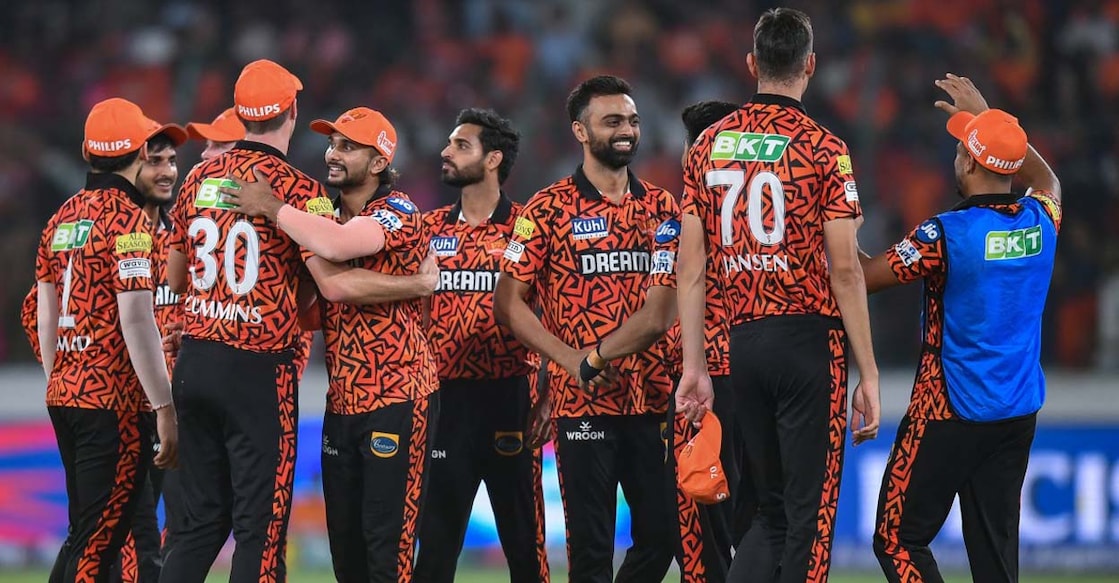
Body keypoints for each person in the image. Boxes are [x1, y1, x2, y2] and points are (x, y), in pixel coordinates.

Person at [674, 8, 880, 582]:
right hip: (809, 343)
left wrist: (695, 367)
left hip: (743, 346)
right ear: (810, 65)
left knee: (768, 513)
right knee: (806, 519)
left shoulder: (708, 146)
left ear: (751, 64)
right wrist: (869, 371)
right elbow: (845, 269)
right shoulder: (825, 148)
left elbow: (690, 268)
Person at [221, 107, 439, 582]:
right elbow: (316, 297)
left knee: (387, 546)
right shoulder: (320, 216)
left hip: (398, 395)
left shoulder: (398, 210)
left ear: (379, 162)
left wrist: (274, 208)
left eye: (347, 146)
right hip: (342, 403)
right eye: (332, 143)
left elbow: (339, 257)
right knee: (345, 548)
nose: (332, 154)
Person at [866, 75, 1061, 583]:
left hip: (948, 409)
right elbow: (1049, 182)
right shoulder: (1042, 220)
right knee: (996, 560)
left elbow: (864, 278)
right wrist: (994, 120)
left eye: (961, 147)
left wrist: (824, 226)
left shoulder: (945, 235)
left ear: (969, 163)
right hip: (1016, 412)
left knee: (897, 538)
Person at [494, 75, 679, 583]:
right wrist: (569, 360)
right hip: (582, 405)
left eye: (633, 121)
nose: (627, 131)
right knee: (591, 554)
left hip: (652, 401)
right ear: (580, 130)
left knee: (664, 537)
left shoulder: (665, 208)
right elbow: (508, 304)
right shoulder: (545, 210)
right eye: (613, 121)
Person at [160, 59, 330, 583]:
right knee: (261, 526)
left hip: (196, 360)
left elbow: (176, 276)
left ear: (240, 114)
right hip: (259, 371)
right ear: (292, 112)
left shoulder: (197, 179)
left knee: (195, 525)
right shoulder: (304, 193)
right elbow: (327, 289)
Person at [36, 97, 181, 583]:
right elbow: (137, 320)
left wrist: (62, 380)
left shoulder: (60, 220)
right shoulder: (131, 224)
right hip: (113, 403)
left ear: (86, 151)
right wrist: (164, 406)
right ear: (139, 153)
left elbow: (45, 316)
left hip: (66, 393)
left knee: (85, 533)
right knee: (99, 544)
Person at [413, 108, 548, 583]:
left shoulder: (529, 229)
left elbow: (554, 315)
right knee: (433, 554)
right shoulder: (426, 229)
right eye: (449, 143)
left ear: (493, 159)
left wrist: (548, 395)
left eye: (460, 145)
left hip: (511, 399)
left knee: (526, 552)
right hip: (443, 404)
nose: (445, 152)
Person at [671, 100, 752, 583]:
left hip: (706, 384)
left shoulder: (687, 213)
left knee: (704, 532)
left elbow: (679, 289)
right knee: (765, 518)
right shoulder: (769, 209)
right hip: (767, 371)